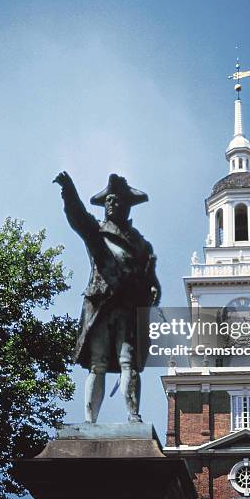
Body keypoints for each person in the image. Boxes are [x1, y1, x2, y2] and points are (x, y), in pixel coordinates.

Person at [54, 171, 161, 423]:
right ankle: (90, 420)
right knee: (97, 364)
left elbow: (149, 277)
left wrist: (153, 288)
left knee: (129, 362)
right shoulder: (97, 232)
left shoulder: (142, 245)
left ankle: (133, 416)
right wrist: (68, 191)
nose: (113, 204)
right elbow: (78, 217)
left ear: (127, 205)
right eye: (109, 200)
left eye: (118, 200)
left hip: (128, 307)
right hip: (101, 303)